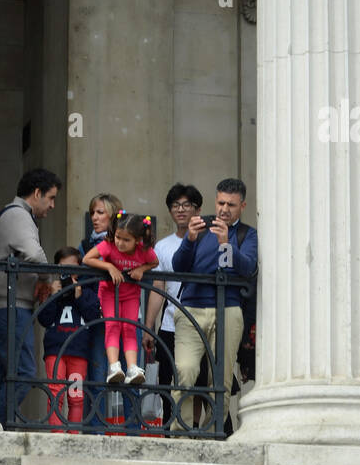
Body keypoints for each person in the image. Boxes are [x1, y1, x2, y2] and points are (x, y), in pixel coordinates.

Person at [171, 178, 257, 432]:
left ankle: (213, 433)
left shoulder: (247, 234)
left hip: (228, 310)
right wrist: (189, 238)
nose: (224, 209)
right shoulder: (201, 225)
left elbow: (248, 268)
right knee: (185, 370)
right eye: (220, 202)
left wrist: (225, 245)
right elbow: (179, 266)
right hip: (191, 307)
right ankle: (181, 434)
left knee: (219, 378)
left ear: (242, 206)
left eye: (231, 204)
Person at [0, 168, 62, 427]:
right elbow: (36, 256)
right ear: (36, 193)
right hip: (9, 306)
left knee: (10, 374)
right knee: (25, 373)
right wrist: (46, 281)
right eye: (50, 198)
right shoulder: (18, 215)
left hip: (9, 305)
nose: (52, 205)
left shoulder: (19, 215)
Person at [143, 184, 205, 426]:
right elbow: (159, 287)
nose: (180, 210)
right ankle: (170, 427)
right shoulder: (163, 246)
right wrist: (149, 325)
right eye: (175, 205)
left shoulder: (207, 241)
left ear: (197, 209)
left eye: (186, 205)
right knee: (168, 381)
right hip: (169, 325)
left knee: (199, 381)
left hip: (199, 320)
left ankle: (197, 428)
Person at [82, 213, 158, 386]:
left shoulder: (144, 250)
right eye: (118, 237)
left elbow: (155, 262)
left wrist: (142, 268)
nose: (120, 243)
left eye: (126, 240)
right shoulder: (108, 245)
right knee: (113, 325)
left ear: (138, 240)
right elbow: (87, 258)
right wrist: (109, 266)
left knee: (129, 328)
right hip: (109, 292)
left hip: (131, 294)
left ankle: (132, 368)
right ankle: (114, 366)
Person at [37, 247, 100, 429]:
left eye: (74, 267)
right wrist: (54, 295)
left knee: (76, 396)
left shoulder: (86, 291)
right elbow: (44, 318)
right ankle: (57, 433)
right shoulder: (52, 291)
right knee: (56, 392)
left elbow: (93, 315)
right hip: (55, 350)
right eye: (64, 268)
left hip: (78, 351)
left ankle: (73, 434)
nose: (69, 273)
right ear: (57, 268)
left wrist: (79, 295)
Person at [77, 192, 123, 429]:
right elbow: (81, 281)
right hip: (99, 318)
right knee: (97, 377)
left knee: (131, 378)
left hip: (126, 316)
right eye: (92, 213)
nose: (94, 218)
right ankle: (96, 432)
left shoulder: (127, 240)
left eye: (100, 212)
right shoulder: (85, 246)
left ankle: (132, 434)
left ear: (113, 215)